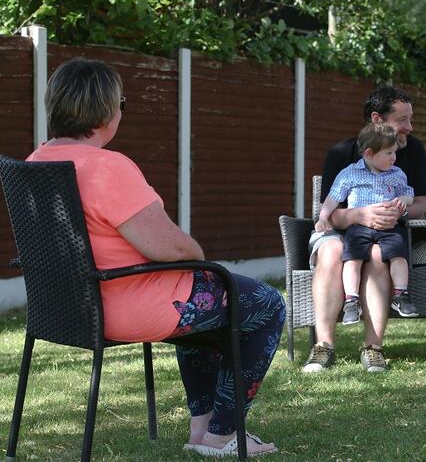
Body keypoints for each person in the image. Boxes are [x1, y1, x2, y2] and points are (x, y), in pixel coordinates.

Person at [27, 58, 284, 457]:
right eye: (121, 103)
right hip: (128, 306)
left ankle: (203, 430)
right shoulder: (108, 167)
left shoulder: (36, 163)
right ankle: (221, 433)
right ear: (105, 111)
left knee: (205, 298)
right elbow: (172, 249)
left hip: (68, 308)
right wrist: (199, 258)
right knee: (266, 304)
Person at [304, 86, 426, 373]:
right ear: (377, 119)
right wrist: (360, 215)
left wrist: (394, 212)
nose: (409, 127)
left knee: (376, 255)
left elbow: (420, 204)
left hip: (385, 229)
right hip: (341, 228)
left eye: (410, 119)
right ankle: (323, 346)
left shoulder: (413, 150)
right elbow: (330, 214)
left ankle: (373, 348)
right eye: (402, 120)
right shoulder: (341, 153)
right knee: (332, 251)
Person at [315, 122, 416, 326]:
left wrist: (403, 200)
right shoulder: (350, 173)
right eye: (388, 153)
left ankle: (401, 295)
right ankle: (351, 301)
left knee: (399, 255)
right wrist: (323, 217)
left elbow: (409, 194)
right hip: (358, 227)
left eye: (394, 152)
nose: (394, 158)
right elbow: (333, 198)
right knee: (352, 259)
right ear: (369, 153)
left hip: (388, 227)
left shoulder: (396, 174)